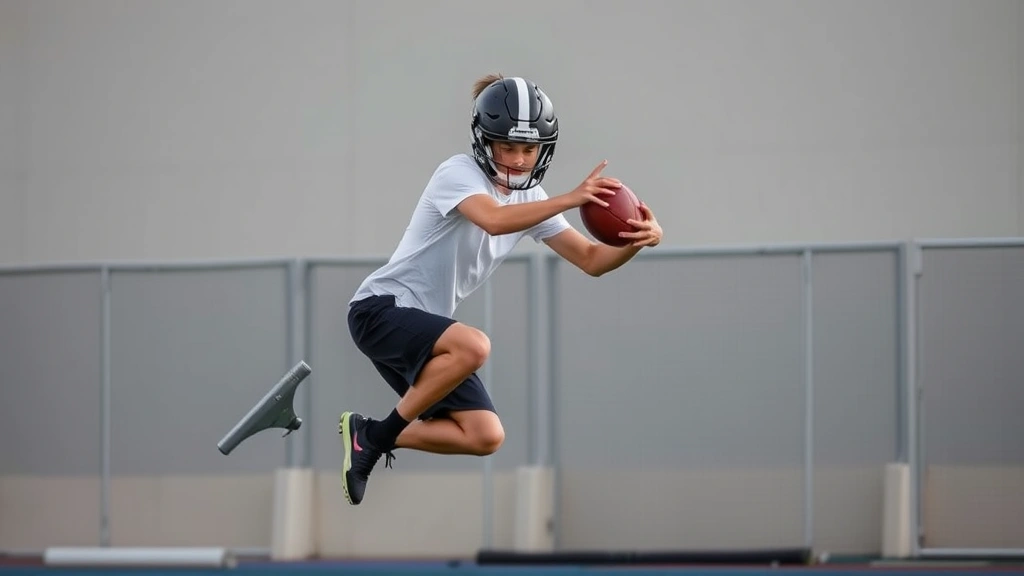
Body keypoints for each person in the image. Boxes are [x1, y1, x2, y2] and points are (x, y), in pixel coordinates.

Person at [339, 74, 663, 505]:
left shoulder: (532, 198)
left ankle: (373, 437)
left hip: (426, 330)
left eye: (528, 149)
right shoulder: (458, 172)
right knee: (474, 346)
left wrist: (636, 240)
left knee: (484, 435)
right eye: (506, 147)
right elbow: (491, 219)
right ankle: (376, 439)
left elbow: (591, 260)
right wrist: (570, 198)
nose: (517, 160)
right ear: (483, 141)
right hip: (377, 310)